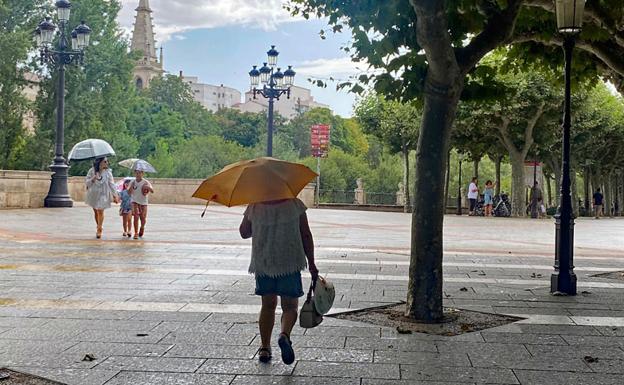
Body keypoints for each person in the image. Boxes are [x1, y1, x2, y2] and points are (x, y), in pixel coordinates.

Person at [239, 198, 318, 365]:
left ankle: (265, 348)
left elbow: (244, 232)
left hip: (264, 262)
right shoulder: (295, 205)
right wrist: (311, 263)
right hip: (289, 263)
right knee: (290, 307)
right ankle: (284, 335)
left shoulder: (255, 204)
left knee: (268, 305)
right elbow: (306, 234)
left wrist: (261, 224)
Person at [85, 157, 119, 239]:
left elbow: (112, 184)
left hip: (103, 194)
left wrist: (115, 195)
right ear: (100, 162)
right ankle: (98, 225)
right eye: (105, 161)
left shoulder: (108, 172)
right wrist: (93, 178)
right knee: (96, 211)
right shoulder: (92, 171)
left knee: (100, 210)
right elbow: (87, 183)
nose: (107, 163)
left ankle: (99, 228)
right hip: (93, 194)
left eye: (107, 161)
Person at [128, 170, 154, 239]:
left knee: (143, 217)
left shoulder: (146, 182)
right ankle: (136, 232)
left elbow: (152, 191)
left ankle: (142, 227)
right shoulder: (132, 182)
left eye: (139, 173)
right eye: (136, 173)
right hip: (135, 201)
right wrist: (131, 187)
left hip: (143, 202)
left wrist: (148, 188)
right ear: (134, 173)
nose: (138, 174)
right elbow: (128, 192)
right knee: (136, 217)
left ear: (143, 173)